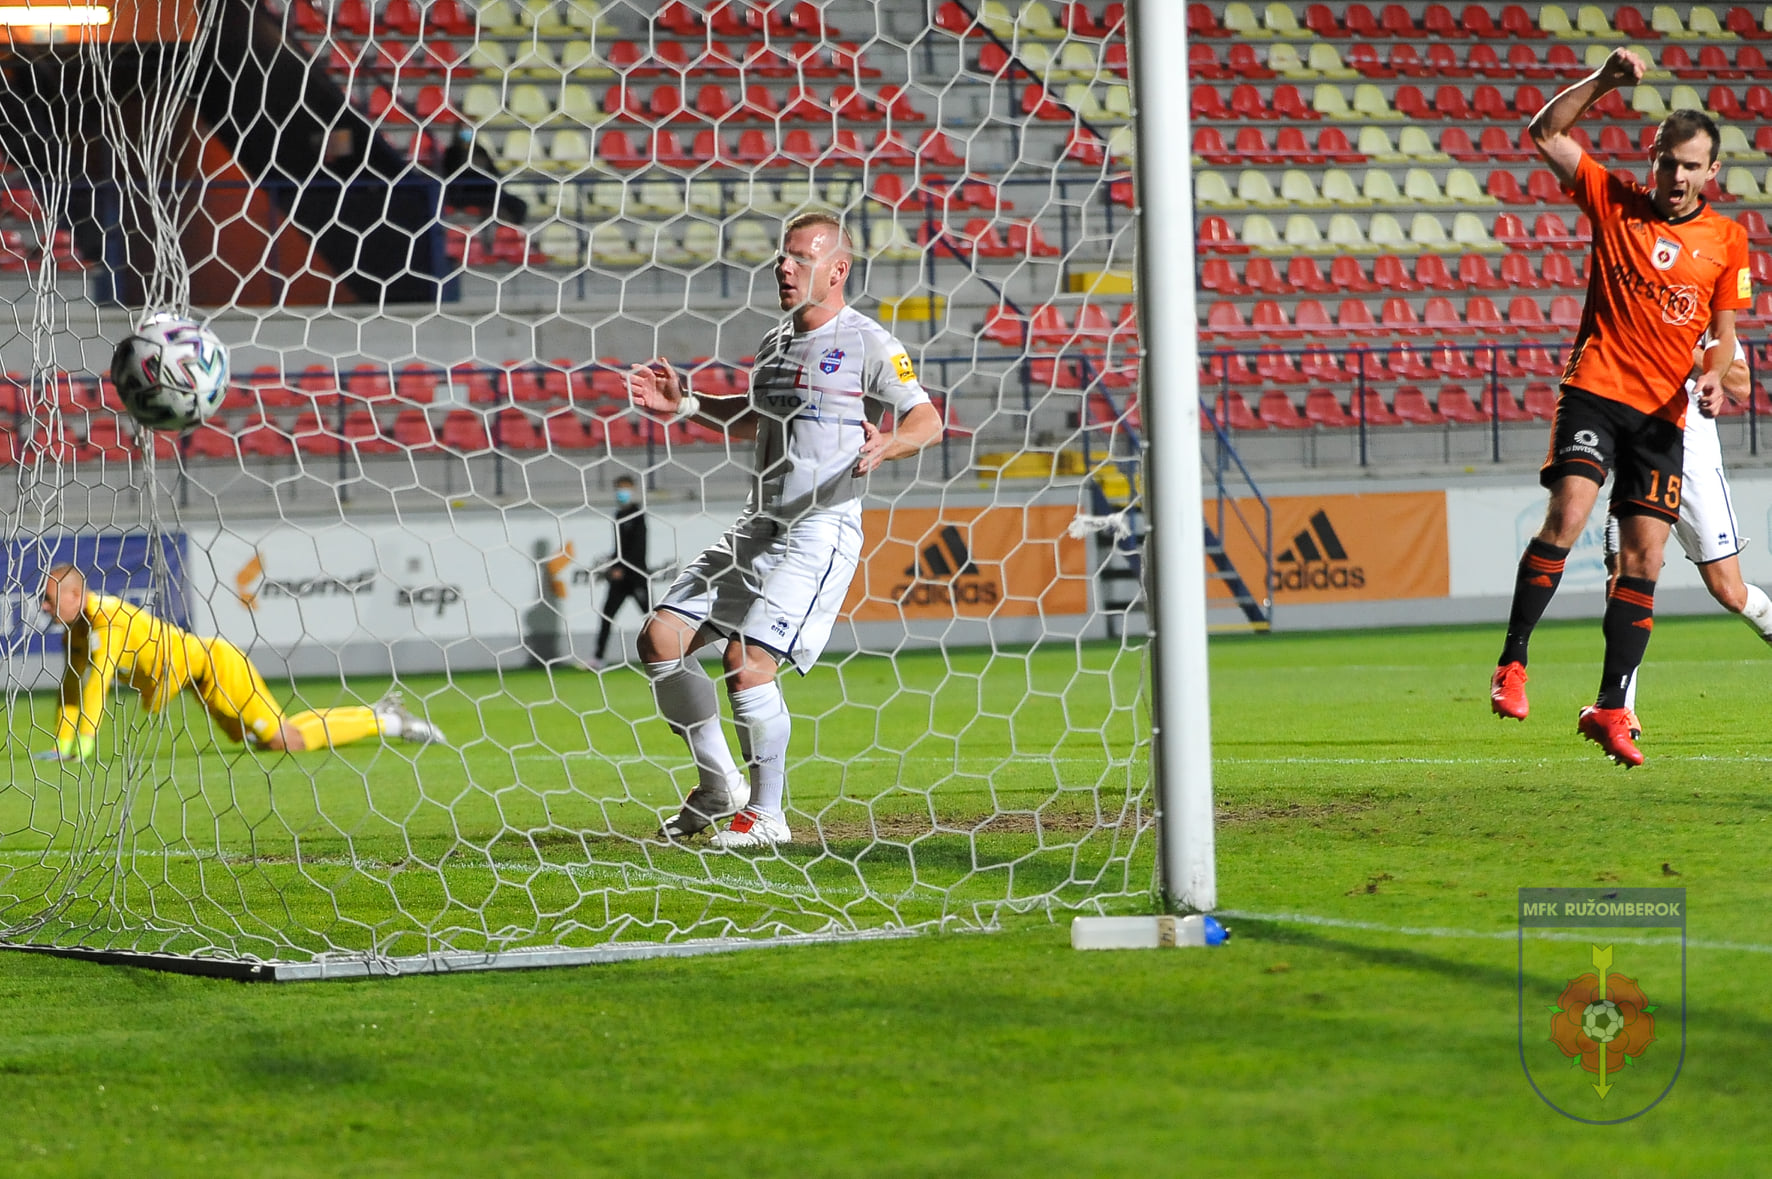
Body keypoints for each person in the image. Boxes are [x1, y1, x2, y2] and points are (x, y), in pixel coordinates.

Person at [625, 210, 944, 847]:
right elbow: (754, 418)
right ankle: (719, 787)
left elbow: (927, 420)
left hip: (819, 528)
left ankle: (767, 815)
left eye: (801, 257)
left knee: (747, 665)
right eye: (782, 255)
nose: (784, 266)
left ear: (838, 269)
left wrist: (889, 445)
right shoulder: (775, 341)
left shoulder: (869, 342)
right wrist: (686, 404)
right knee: (660, 640)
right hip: (759, 525)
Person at [1489, 48, 1752, 767]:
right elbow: (1545, 132)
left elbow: (1726, 334)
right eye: (1668, 163)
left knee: (1645, 559)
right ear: (1653, 159)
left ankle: (1610, 707)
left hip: (1663, 418)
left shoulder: (1728, 240)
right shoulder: (1613, 199)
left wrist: (1712, 375)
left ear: (1711, 172)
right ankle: (1513, 662)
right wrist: (1604, 82)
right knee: (1569, 515)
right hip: (1597, 392)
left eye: (1691, 166)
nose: (1677, 177)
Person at [35, 565, 444, 762]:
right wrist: (62, 742)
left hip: (217, 666)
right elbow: (71, 684)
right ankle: (380, 714)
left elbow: (98, 681)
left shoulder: (109, 619)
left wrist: (85, 741)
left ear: (75, 595)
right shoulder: (75, 631)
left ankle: (387, 721)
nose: (44, 607)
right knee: (268, 740)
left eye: (50, 599)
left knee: (287, 741)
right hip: (194, 681)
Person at [1602, 333, 1772, 736]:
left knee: (1729, 592)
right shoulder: (1633, 312)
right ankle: (1618, 707)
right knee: (1623, 576)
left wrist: (1677, 345)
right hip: (1639, 462)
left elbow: (1741, 384)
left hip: (1695, 467)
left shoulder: (1711, 323)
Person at [584, 474, 649, 670]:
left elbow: (638, 548)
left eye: (625, 488)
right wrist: (613, 563)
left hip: (636, 576)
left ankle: (669, 654)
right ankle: (598, 658)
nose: (622, 492)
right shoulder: (618, 515)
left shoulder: (638, 515)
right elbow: (620, 547)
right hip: (619, 580)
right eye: (619, 489)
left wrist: (622, 567)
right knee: (606, 616)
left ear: (632, 490)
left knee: (653, 619)